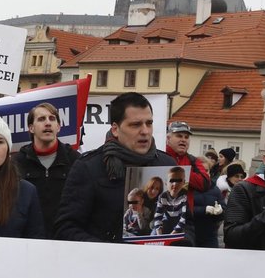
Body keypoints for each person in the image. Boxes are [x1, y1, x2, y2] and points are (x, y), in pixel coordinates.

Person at [54, 92, 177, 242]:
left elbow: (185, 223)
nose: (145, 131)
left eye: (149, 123)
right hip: (104, 262)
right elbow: (66, 228)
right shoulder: (88, 167)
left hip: (157, 261)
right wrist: (108, 251)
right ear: (115, 129)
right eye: (135, 124)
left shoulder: (167, 165)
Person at [13, 102, 80, 237]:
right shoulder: (16, 163)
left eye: (52, 118)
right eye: (41, 119)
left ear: (58, 127)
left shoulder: (76, 161)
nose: (48, 123)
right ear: (31, 128)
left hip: (65, 240)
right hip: (28, 241)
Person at [165, 121, 213, 193]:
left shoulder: (193, 160)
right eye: (179, 136)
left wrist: (180, 172)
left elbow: (205, 184)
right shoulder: (158, 156)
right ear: (168, 138)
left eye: (186, 137)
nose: (183, 140)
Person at [151, 165, 193, 243]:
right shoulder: (162, 197)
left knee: (186, 237)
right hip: (167, 221)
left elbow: (183, 218)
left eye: (179, 181)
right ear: (166, 182)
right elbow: (158, 216)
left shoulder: (185, 196)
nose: (175, 184)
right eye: (172, 181)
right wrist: (159, 234)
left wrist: (172, 235)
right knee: (154, 234)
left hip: (181, 222)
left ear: (184, 182)